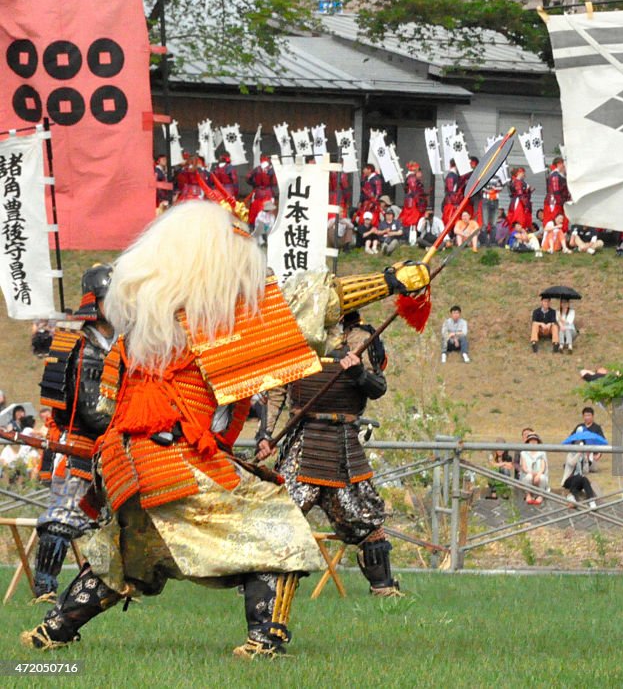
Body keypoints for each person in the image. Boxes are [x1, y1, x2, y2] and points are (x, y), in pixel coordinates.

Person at [21, 202, 325, 658]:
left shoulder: (143, 326)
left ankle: (52, 631)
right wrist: (387, 283)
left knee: (132, 556)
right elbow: (303, 310)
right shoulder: (202, 319)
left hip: (127, 464)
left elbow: (107, 404)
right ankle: (265, 640)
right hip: (171, 462)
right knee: (278, 530)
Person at [258, 306, 408, 598]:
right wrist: (266, 435)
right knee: (279, 512)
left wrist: (358, 373)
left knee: (366, 516)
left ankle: (383, 587)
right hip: (303, 440)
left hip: (343, 442)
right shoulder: (296, 336)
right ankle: (261, 585)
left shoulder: (361, 336)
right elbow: (276, 391)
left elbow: (378, 387)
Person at [30, 265, 116, 604]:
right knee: (63, 517)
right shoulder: (80, 347)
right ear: (96, 301)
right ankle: (46, 587)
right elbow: (91, 409)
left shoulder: (123, 343)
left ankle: (110, 585)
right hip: (79, 444)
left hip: (112, 445)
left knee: (115, 520)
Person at [245, 154, 279, 227]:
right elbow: (274, 182)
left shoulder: (257, 169)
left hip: (257, 193)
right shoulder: (271, 170)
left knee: (255, 211)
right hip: (268, 193)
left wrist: (254, 184)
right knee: (268, 213)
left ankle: (253, 227)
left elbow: (247, 177)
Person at [399, 162, 427, 244]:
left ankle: (411, 238)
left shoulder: (411, 178)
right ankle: (410, 238)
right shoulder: (412, 178)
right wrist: (420, 201)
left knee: (411, 219)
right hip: (413, 203)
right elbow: (414, 191)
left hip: (412, 202)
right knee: (412, 219)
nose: (421, 175)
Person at [561, 440, 596, 505]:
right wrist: (579, 453)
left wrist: (586, 460)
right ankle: (571, 496)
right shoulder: (570, 454)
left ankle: (591, 500)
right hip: (568, 480)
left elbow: (586, 471)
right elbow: (572, 463)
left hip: (578, 481)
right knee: (578, 477)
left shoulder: (583, 456)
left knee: (584, 479)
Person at [519, 432, 549, 505]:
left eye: (535, 441)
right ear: (528, 442)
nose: (533, 442)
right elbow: (524, 467)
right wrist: (531, 473)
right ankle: (528, 494)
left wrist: (538, 474)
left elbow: (543, 467)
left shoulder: (542, 453)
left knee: (542, 477)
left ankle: (540, 495)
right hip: (528, 474)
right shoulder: (523, 453)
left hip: (538, 474)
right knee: (528, 477)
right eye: (531, 440)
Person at [442, 159, 463, 227]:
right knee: (450, 219)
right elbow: (450, 190)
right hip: (451, 202)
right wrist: (455, 202)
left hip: (452, 201)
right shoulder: (452, 175)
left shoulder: (452, 175)